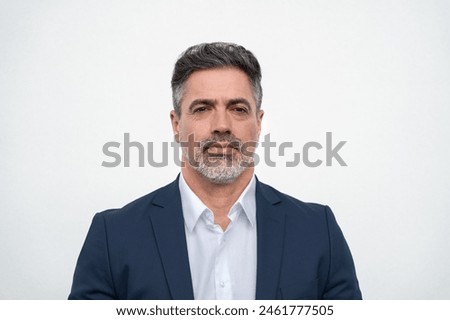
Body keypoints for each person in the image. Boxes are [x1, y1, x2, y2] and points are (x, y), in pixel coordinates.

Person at [69, 42, 362, 300]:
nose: (221, 125)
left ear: (258, 123)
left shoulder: (318, 231)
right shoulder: (112, 236)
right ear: (176, 124)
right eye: (202, 109)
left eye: (237, 109)